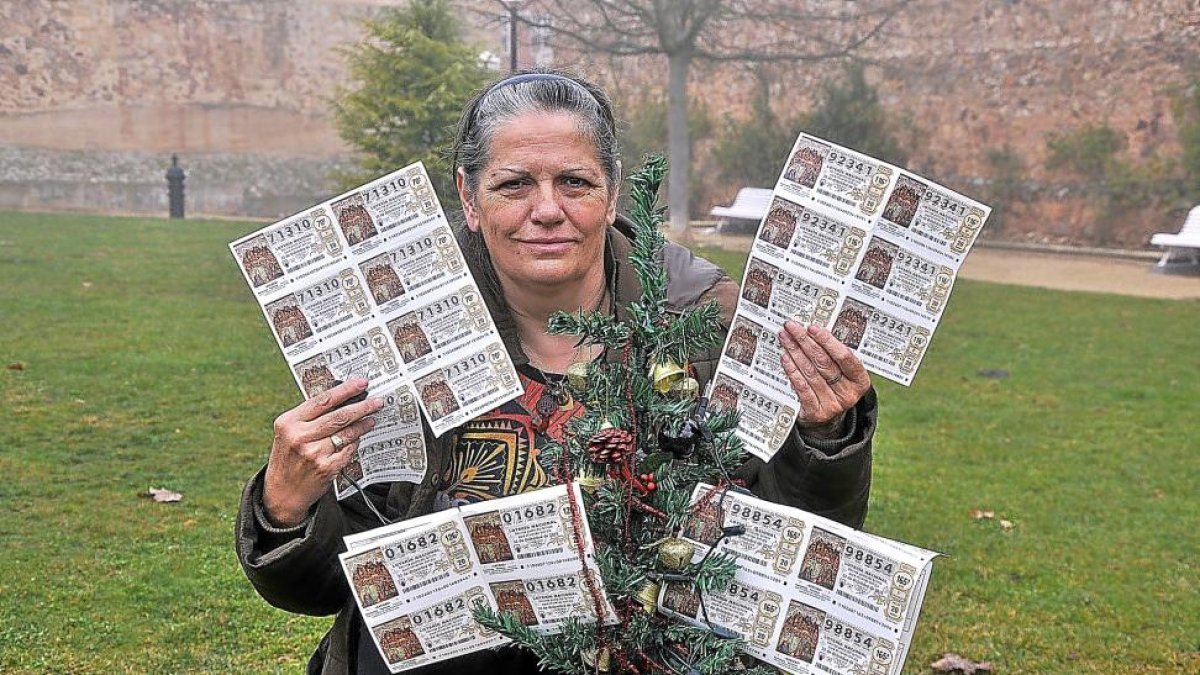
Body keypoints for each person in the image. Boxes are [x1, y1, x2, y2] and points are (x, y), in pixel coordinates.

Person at [235, 70, 877, 675]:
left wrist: (825, 441)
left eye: (574, 182)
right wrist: (286, 509)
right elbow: (329, 589)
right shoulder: (392, 334)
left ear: (613, 191)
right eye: (514, 184)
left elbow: (791, 542)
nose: (547, 209)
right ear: (468, 195)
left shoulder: (704, 317)